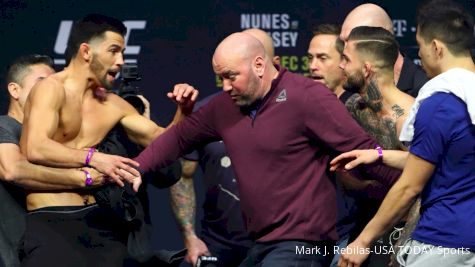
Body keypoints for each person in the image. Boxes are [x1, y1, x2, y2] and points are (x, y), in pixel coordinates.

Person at [135, 32, 401, 266]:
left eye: (231, 76)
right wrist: (135, 168)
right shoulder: (223, 107)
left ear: (259, 65)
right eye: (220, 78)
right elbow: (178, 138)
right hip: (261, 244)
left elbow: (364, 154)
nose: (225, 86)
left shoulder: (307, 97)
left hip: (304, 244)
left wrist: (412, 188)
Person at [19, 14, 198, 266]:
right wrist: (94, 157)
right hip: (53, 223)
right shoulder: (50, 88)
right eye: (113, 51)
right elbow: (35, 148)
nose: (120, 61)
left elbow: (163, 143)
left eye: (123, 52)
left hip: (101, 225)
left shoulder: (113, 104)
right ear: (86, 52)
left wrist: (184, 112)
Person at [337, 1, 475, 266]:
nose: (419, 56)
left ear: (436, 47)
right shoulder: (466, 98)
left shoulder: (440, 105)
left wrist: (363, 241)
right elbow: (443, 159)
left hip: (442, 242)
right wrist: (379, 155)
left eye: (420, 46)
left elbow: (410, 185)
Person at [171, 27, 280, 267]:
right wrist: (190, 237)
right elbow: (183, 175)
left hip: (280, 246)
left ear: (271, 64)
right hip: (218, 246)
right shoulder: (205, 113)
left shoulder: (298, 109)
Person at [0, 54, 107, 267]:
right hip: (19, 255)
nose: (50, 88)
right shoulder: (5, 126)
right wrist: (82, 178)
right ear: (15, 90)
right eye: (41, 82)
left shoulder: (57, 137)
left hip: (63, 246)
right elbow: (12, 170)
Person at [340, 3, 428, 97]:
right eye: (342, 43)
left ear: (381, 39)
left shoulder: (424, 90)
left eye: (350, 41)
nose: (345, 51)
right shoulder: (351, 93)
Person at [308, 24, 355, 104]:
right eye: (310, 58)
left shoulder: (357, 108)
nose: (312, 66)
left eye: (322, 58)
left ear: (344, 61)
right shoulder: (307, 105)